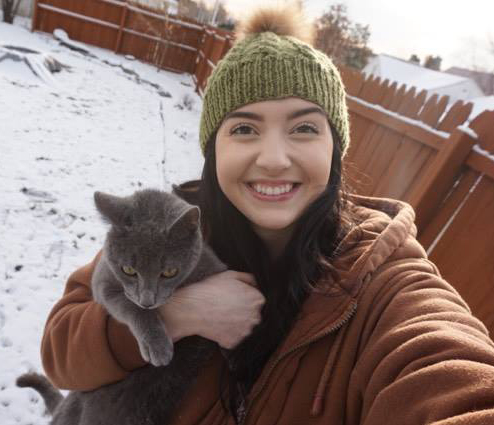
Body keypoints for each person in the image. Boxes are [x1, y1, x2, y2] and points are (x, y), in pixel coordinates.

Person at [40, 4, 494, 425]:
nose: (274, 159)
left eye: (304, 127)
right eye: (244, 128)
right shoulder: (167, 229)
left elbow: (443, 365)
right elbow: (60, 353)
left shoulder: (384, 283)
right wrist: (176, 315)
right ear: (214, 149)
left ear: (334, 148)